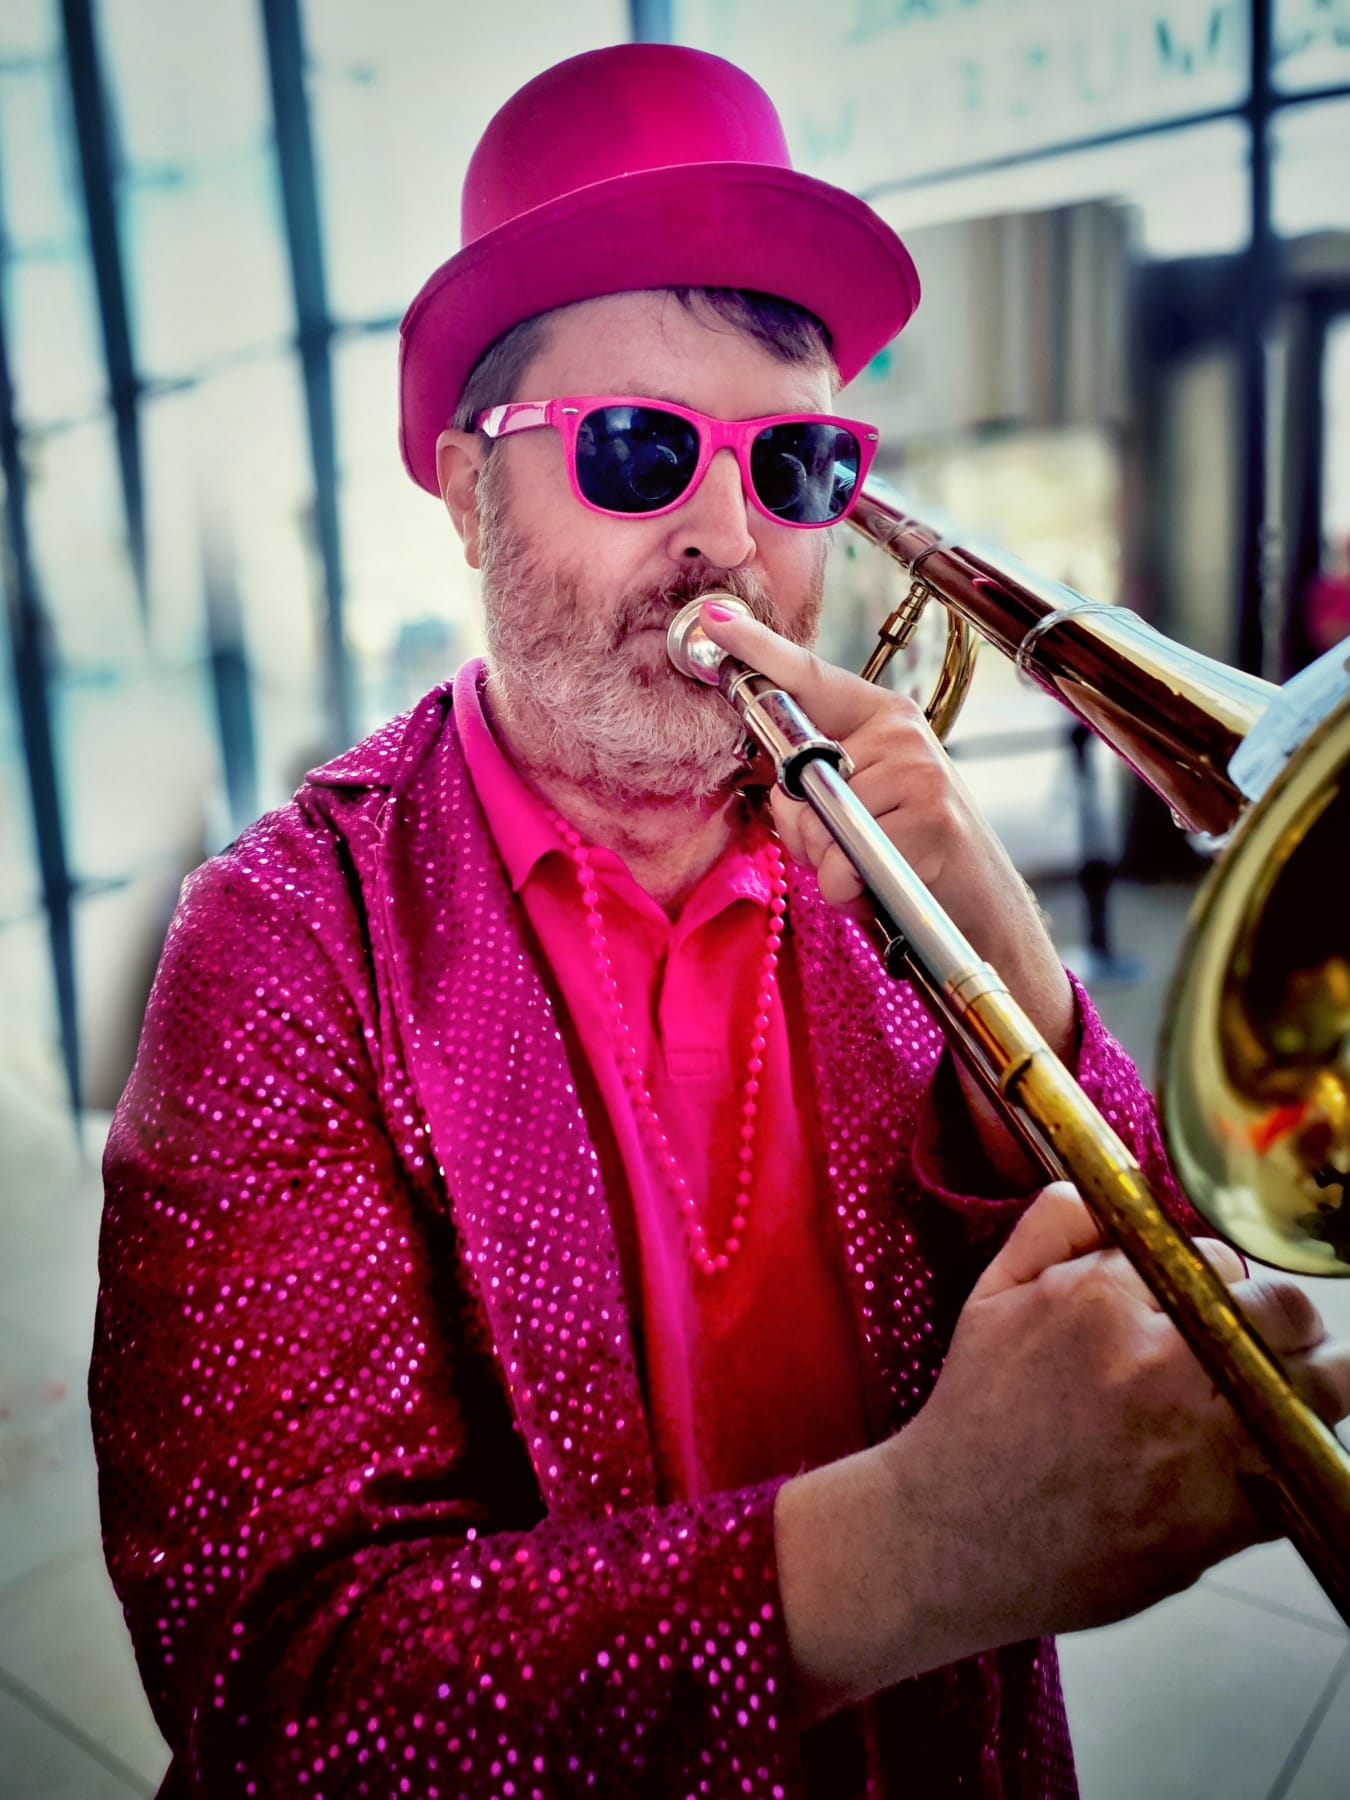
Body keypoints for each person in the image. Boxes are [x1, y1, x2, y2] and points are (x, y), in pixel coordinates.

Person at [91, 43, 1350, 1800]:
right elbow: (273, 1683)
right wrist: (912, 1543)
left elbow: (1169, 1257)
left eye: (799, 466)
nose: (726, 539)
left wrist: (1001, 944)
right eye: (632, 449)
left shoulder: (884, 853)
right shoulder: (281, 944)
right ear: (467, 493)